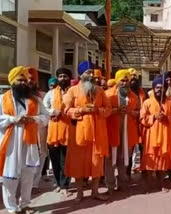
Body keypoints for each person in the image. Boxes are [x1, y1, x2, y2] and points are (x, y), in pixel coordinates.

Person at [0, 66, 49, 214]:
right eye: (19, 80)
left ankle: (25, 203)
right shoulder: (2, 99)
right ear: (12, 82)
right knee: (10, 175)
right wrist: (13, 119)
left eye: (25, 80)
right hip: (11, 143)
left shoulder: (35, 100)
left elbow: (45, 117)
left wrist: (32, 119)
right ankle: (12, 207)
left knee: (28, 173)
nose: (23, 83)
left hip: (30, 142)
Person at [64, 61, 111, 202]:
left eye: (92, 72)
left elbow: (108, 109)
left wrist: (97, 110)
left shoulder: (100, 91)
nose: (90, 75)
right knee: (78, 164)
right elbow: (66, 110)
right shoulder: (72, 91)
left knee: (96, 163)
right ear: (81, 74)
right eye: (87, 72)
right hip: (79, 134)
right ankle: (79, 193)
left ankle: (95, 192)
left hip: (98, 133)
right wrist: (81, 110)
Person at [140, 76, 171, 192]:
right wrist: (154, 117)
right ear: (153, 89)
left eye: (162, 88)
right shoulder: (147, 102)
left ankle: (161, 183)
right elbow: (142, 118)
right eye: (157, 88)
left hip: (165, 136)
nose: (159, 90)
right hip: (151, 137)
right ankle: (148, 184)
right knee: (150, 160)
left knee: (163, 161)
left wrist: (167, 118)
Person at [105, 69, 139, 193]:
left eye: (126, 80)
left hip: (127, 133)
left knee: (124, 158)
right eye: (122, 80)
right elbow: (103, 112)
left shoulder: (133, 96)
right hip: (112, 131)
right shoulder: (108, 94)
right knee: (110, 160)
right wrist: (116, 111)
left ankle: (122, 184)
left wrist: (131, 112)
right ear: (117, 81)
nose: (125, 83)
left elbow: (138, 112)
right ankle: (110, 185)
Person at [43, 68, 73, 196]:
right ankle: (59, 183)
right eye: (60, 76)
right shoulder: (50, 93)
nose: (62, 79)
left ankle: (65, 185)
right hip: (53, 130)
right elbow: (44, 108)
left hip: (68, 130)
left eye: (65, 76)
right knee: (54, 160)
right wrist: (52, 112)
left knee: (65, 160)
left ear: (69, 78)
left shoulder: (73, 92)